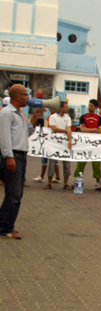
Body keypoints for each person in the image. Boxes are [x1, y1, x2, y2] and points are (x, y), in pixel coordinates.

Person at [0, 84, 40, 239]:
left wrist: (34, 121)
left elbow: (26, 133)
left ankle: (3, 224)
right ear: (18, 96)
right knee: (14, 194)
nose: (27, 98)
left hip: (21, 156)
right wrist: (9, 156)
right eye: (25, 94)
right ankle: (7, 228)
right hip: (14, 156)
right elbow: (4, 138)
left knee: (14, 193)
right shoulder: (6, 114)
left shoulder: (19, 114)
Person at [73, 99, 101, 190]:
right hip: (84, 144)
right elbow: (82, 129)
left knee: (96, 163)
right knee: (81, 163)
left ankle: (98, 181)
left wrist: (89, 130)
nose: (89, 107)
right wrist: (94, 129)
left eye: (91, 106)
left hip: (95, 144)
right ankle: (78, 180)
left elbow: (100, 131)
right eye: (89, 105)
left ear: (95, 107)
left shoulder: (99, 118)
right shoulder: (83, 117)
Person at [45, 101, 73, 190]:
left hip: (64, 143)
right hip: (54, 143)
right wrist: (65, 132)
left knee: (67, 164)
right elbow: (53, 129)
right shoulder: (52, 117)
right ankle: (49, 183)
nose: (68, 108)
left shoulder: (68, 118)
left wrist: (69, 140)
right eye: (66, 107)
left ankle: (66, 184)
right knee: (52, 164)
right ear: (61, 108)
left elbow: (69, 128)